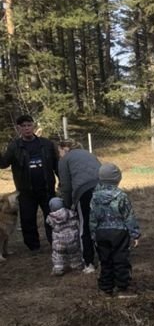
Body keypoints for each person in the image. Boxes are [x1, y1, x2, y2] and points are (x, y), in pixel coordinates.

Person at [0, 114, 58, 252]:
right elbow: (3, 164)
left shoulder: (46, 144)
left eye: (29, 125)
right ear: (19, 128)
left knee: (52, 217)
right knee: (28, 220)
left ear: (33, 126)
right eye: (23, 126)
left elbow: (56, 164)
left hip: (46, 188)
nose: (27, 128)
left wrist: (63, 181)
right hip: (25, 191)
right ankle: (34, 247)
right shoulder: (14, 146)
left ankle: (55, 243)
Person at [89, 163, 140, 296]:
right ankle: (122, 287)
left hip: (101, 232)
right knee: (121, 259)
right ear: (118, 179)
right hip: (119, 233)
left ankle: (106, 288)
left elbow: (92, 217)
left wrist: (93, 233)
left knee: (105, 260)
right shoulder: (121, 196)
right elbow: (129, 216)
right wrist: (135, 234)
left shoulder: (94, 197)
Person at [57, 140, 100, 273]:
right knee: (101, 223)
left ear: (64, 149)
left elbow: (66, 186)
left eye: (59, 151)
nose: (59, 154)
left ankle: (88, 263)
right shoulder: (89, 154)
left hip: (84, 192)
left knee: (85, 226)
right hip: (102, 188)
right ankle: (105, 258)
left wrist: (68, 204)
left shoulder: (64, 160)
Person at [46, 197, 83, 276]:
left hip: (59, 243)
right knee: (75, 254)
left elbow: (49, 223)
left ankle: (58, 269)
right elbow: (77, 222)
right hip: (73, 240)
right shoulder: (71, 213)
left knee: (58, 256)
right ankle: (77, 265)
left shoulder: (51, 218)